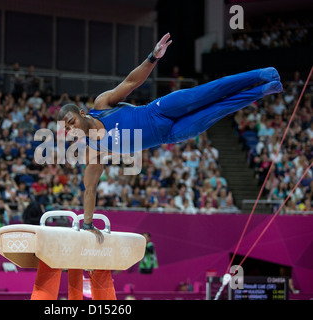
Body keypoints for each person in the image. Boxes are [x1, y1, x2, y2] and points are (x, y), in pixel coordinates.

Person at [58, 33, 282, 241]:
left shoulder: (101, 105)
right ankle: (264, 90)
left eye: (71, 122)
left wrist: (152, 58)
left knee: (210, 92)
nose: (71, 129)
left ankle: (260, 74)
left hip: (159, 110)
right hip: (171, 134)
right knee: (219, 109)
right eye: (67, 129)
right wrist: (87, 224)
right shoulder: (94, 149)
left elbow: (131, 82)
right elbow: (90, 187)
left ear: (82, 113)